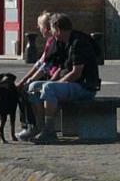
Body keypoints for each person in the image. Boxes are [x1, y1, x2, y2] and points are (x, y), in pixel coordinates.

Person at [28, 13, 101, 145]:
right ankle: (40, 126)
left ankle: (50, 131)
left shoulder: (78, 42)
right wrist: (49, 81)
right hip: (70, 84)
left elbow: (76, 73)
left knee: (49, 88)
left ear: (58, 29)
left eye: (54, 31)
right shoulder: (62, 43)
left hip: (84, 86)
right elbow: (60, 68)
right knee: (34, 87)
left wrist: (55, 84)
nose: (53, 34)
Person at [15, 11, 64, 138]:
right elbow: (39, 63)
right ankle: (30, 125)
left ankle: (34, 126)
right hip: (49, 75)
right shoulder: (49, 42)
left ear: (47, 28)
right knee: (23, 88)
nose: (39, 29)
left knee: (29, 89)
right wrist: (25, 79)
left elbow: (45, 67)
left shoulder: (54, 42)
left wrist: (29, 81)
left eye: (40, 26)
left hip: (54, 76)